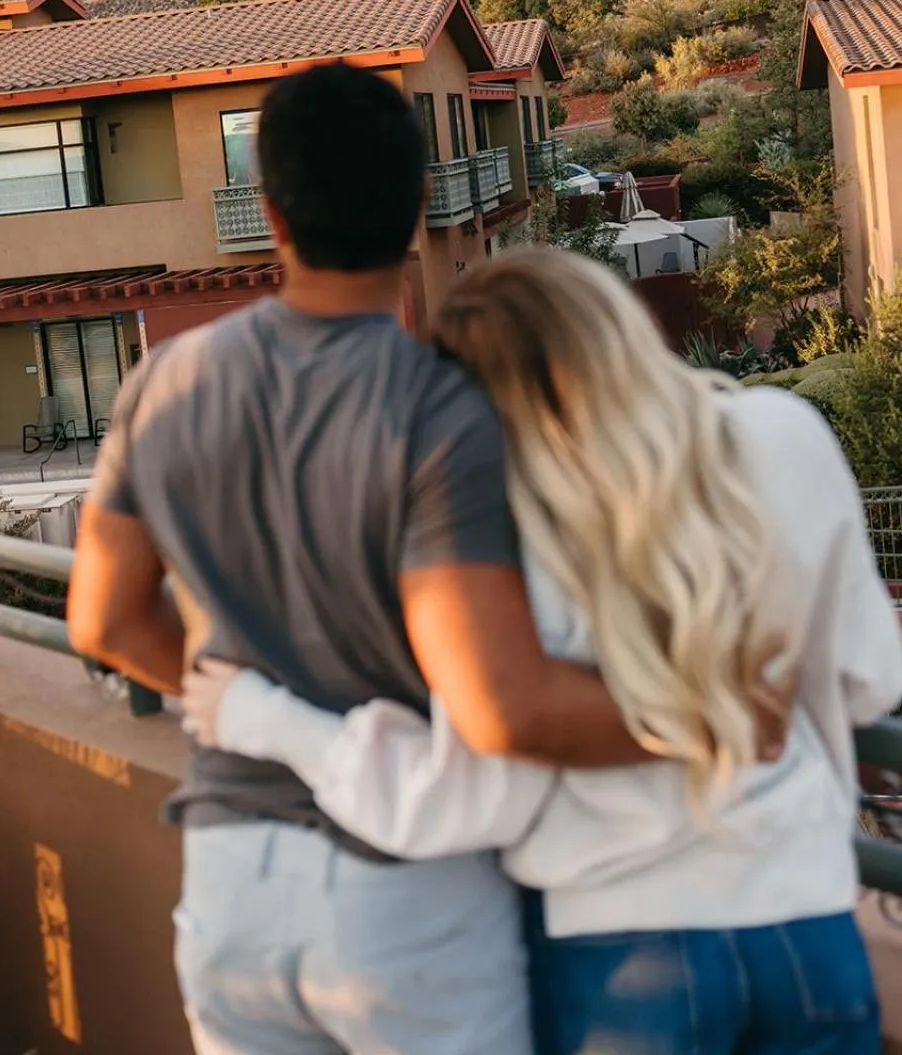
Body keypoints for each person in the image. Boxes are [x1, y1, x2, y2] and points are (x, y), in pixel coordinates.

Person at [183, 246, 902, 1055]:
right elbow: (869, 681)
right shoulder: (782, 433)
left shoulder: (504, 526)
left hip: (617, 951)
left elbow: (461, 795)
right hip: (804, 925)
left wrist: (262, 719)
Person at [67, 63, 657, 1055]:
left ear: (270, 217)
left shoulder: (163, 383)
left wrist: (243, 700)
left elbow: (103, 619)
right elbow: (500, 704)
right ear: (420, 202)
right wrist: (710, 719)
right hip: (403, 890)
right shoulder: (438, 408)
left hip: (231, 884)